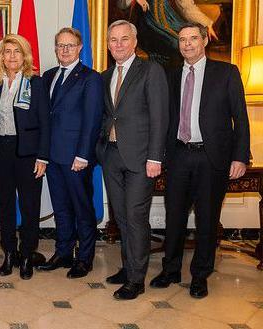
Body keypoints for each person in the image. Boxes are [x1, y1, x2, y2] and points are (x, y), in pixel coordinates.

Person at [149, 22, 249, 298]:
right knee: (175, 218)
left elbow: (240, 118)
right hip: (179, 155)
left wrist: (240, 156)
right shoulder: (170, 75)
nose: (187, 44)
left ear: (204, 40)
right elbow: (162, 119)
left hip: (211, 157)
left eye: (193, 38)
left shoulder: (226, 73)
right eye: (182, 39)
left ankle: (200, 275)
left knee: (206, 220)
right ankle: (170, 270)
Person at [96, 20, 168, 300]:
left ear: (134, 42)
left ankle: (137, 280)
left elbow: (160, 117)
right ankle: (128, 268)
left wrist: (155, 157)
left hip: (140, 159)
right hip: (111, 156)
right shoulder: (106, 75)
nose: (118, 44)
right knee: (122, 218)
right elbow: (107, 116)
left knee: (137, 218)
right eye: (113, 40)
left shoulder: (150, 71)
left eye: (124, 39)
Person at [39, 28, 103, 279]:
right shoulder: (48, 76)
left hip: (77, 157)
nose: (64, 50)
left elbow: (92, 119)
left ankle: (84, 258)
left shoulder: (90, 78)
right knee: (62, 208)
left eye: (70, 45)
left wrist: (83, 155)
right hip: (53, 157)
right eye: (60, 45)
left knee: (82, 208)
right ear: (55, 49)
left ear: (80, 48)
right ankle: (63, 252)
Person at [0, 34, 49, 280]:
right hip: (0, 150)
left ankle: (26, 255)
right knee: (5, 207)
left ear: (24, 55)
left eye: (16, 51)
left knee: (29, 206)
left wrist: (43, 157)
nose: (11, 56)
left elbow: (46, 123)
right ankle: (9, 254)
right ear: (0, 56)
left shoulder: (35, 82)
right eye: (7, 51)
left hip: (28, 152)